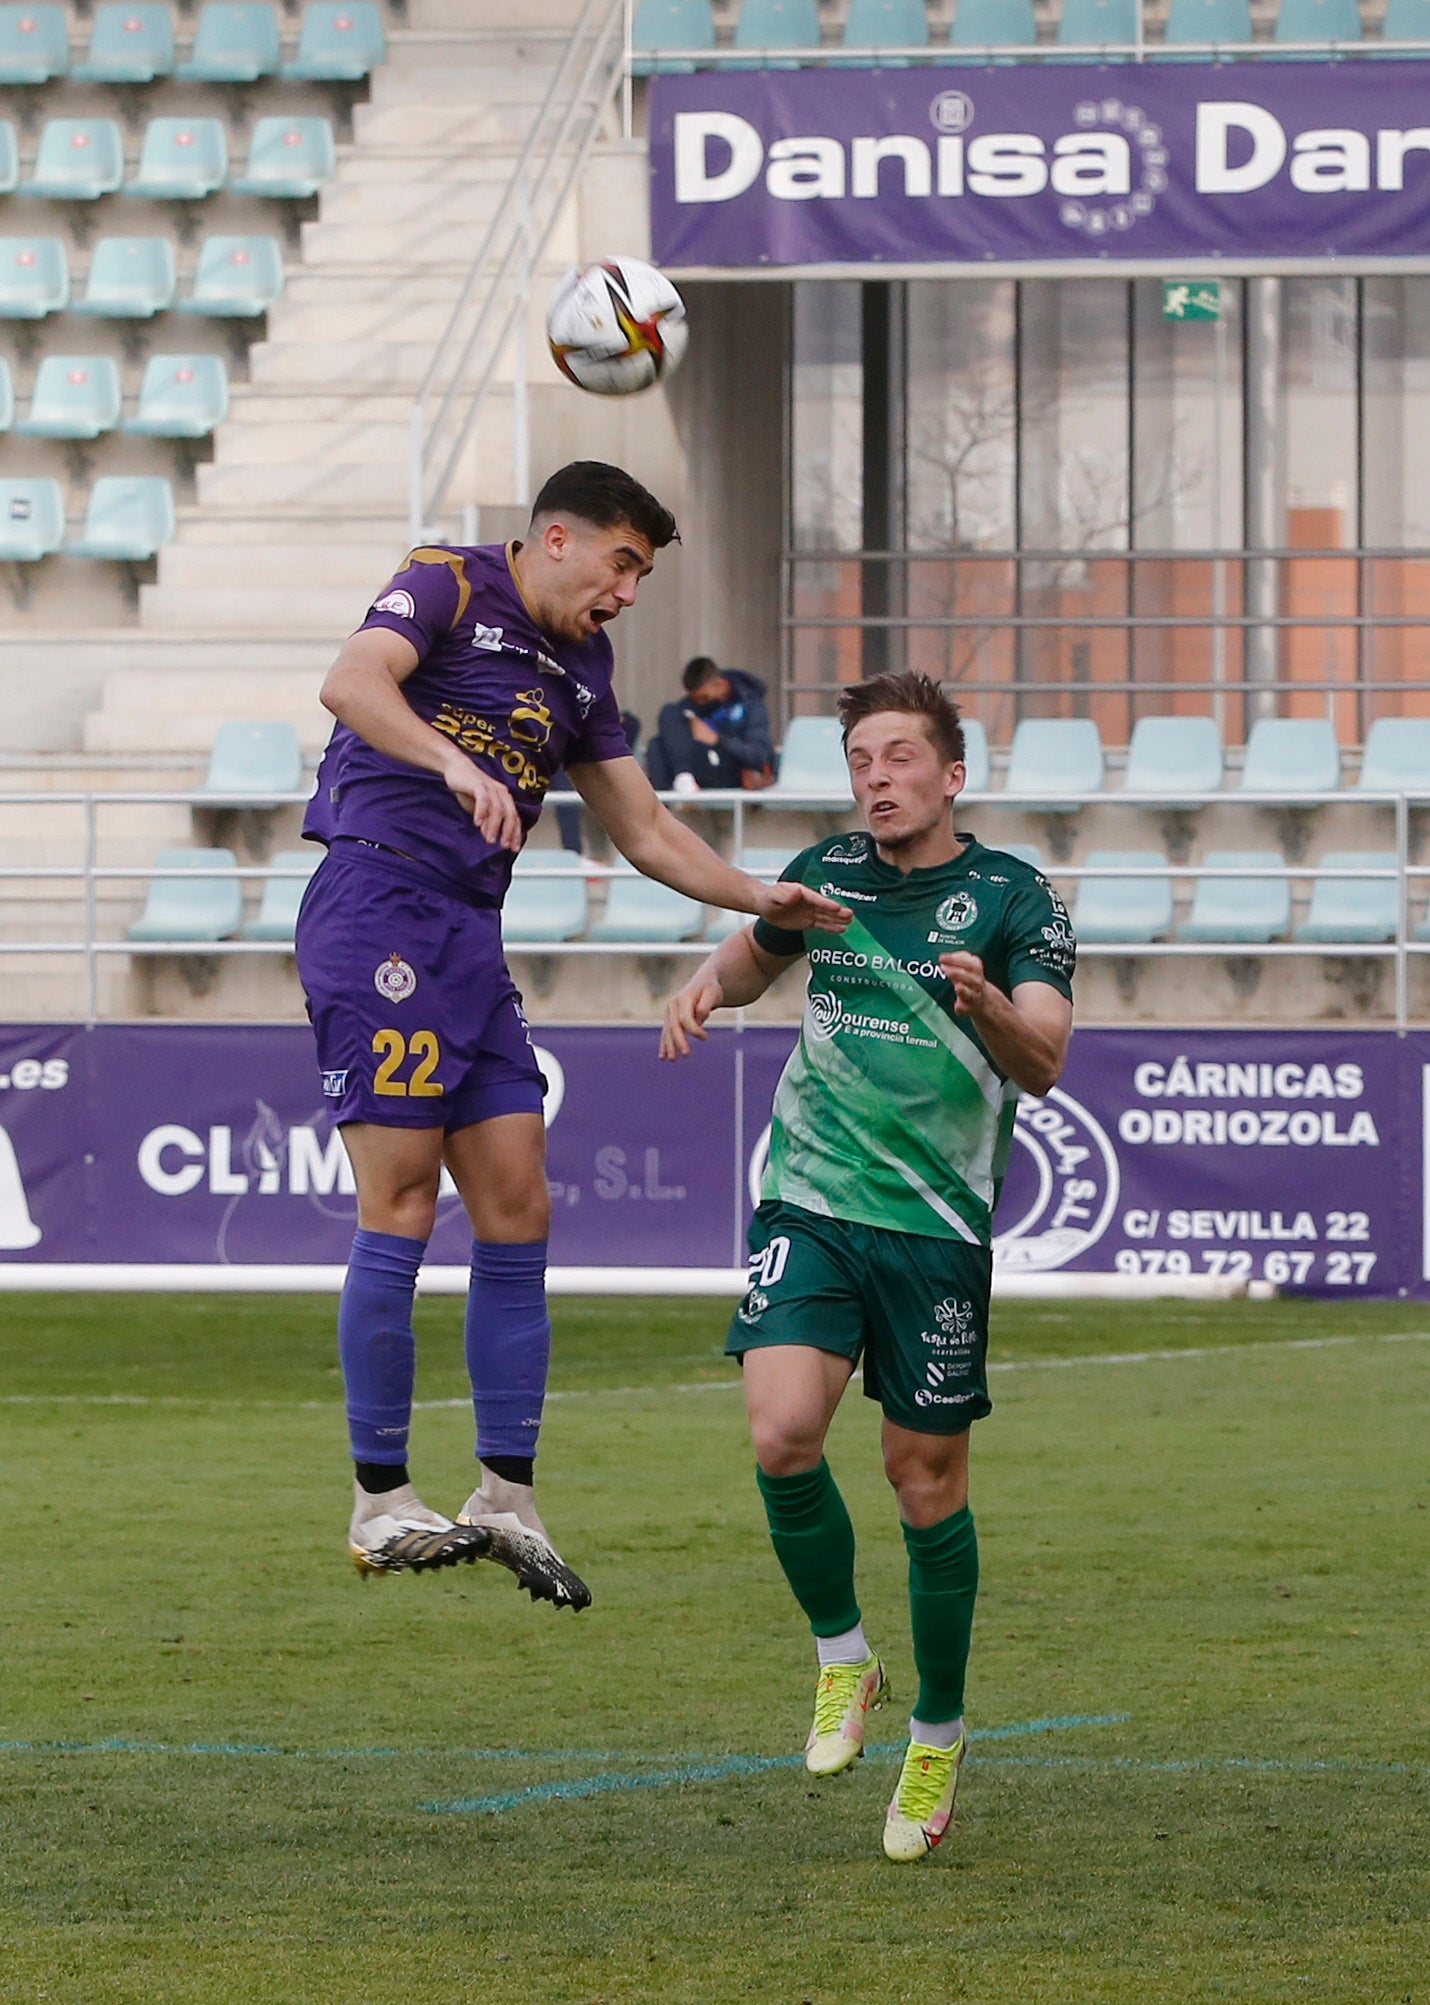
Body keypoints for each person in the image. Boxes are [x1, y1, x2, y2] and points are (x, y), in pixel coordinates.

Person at [295, 461, 851, 1608]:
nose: (628, 593)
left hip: (466, 936)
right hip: (377, 910)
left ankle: (504, 1492)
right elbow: (351, 682)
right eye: (623, 564)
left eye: (639, 572)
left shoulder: (581, 665)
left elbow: (641, 826)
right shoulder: (444, 578)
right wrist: (449, 759)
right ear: (556, 539)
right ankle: (381, 1500)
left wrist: (759, 897)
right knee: (399, 1200)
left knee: (517, 1200)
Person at [659, 670, 1076, 1860]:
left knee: (920, 1478)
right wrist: (706, 982)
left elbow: (1041, 1059)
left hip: (934, 1224)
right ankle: (844, 1655)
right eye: (859, 761)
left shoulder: (1012, 897)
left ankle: (935, 1732)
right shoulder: (827, 874)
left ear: (950, 774)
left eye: (898, 758)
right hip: (812, 1193)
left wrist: (987, 1006)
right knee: (781, 1430)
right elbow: (754, 957)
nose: (876, 779)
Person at [646, 657, 774, 793]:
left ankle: (676, 790)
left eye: (704, 698)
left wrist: (717, 739)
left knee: (657, 745)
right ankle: (681, 780)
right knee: (665, 723)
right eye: (695, 699)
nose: (700, 703)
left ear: (720, 684)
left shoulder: (752, 705)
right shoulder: (694, 704)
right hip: (702, 760)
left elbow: (759, 755)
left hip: (733, 767)